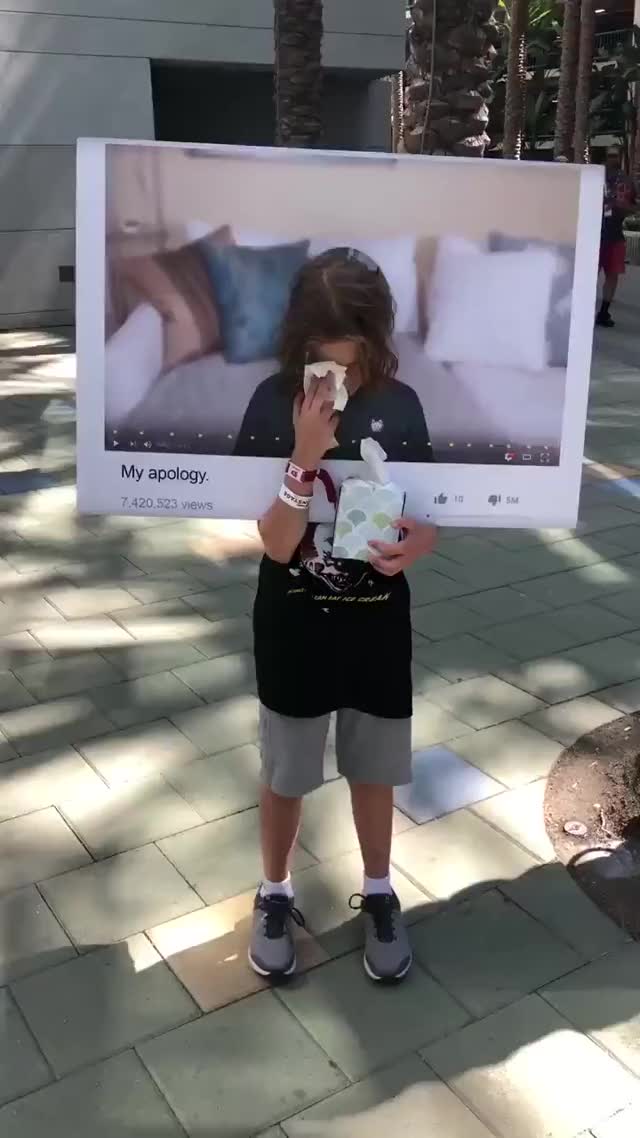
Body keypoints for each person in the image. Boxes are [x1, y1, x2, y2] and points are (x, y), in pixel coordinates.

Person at [235, 247, 436, 984]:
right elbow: (277, 542)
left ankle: (380, 890)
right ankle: (275, 891)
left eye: (352, 364)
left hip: (378, 615)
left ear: (378, 341)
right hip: (292, 617)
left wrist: (425, 539)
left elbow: (429, 513)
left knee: (375, 766)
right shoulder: (271, 401)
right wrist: (304, 453)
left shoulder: (403, 403)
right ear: (300, 344)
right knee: (287, 768)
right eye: (324, 364)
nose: (339, 380)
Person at [596, 146, 636, 328]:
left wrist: (623, 207)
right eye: (610, 155)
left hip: (615, 235)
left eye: (616, 155)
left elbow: (634, 206)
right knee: (590, 275)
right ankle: (584, 309)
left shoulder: (627, 181)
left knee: (612, 276)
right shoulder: (595, 177)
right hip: (594, 235)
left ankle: (604, 312)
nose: (613, 158)